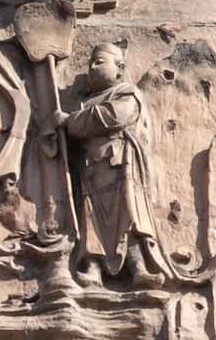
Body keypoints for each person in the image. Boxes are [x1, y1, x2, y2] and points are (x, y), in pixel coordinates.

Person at [56, 43, 168, 287]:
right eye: (90, 64)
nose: (93, 67)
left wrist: (70, 121)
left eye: (100, 61)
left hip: (121, 165)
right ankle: (93, 268)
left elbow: (115, 116)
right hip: (91, 169)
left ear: (119, 68)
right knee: (91, 216)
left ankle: (138, 267)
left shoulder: (127, 93)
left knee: (128, 215)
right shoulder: (85, 103)